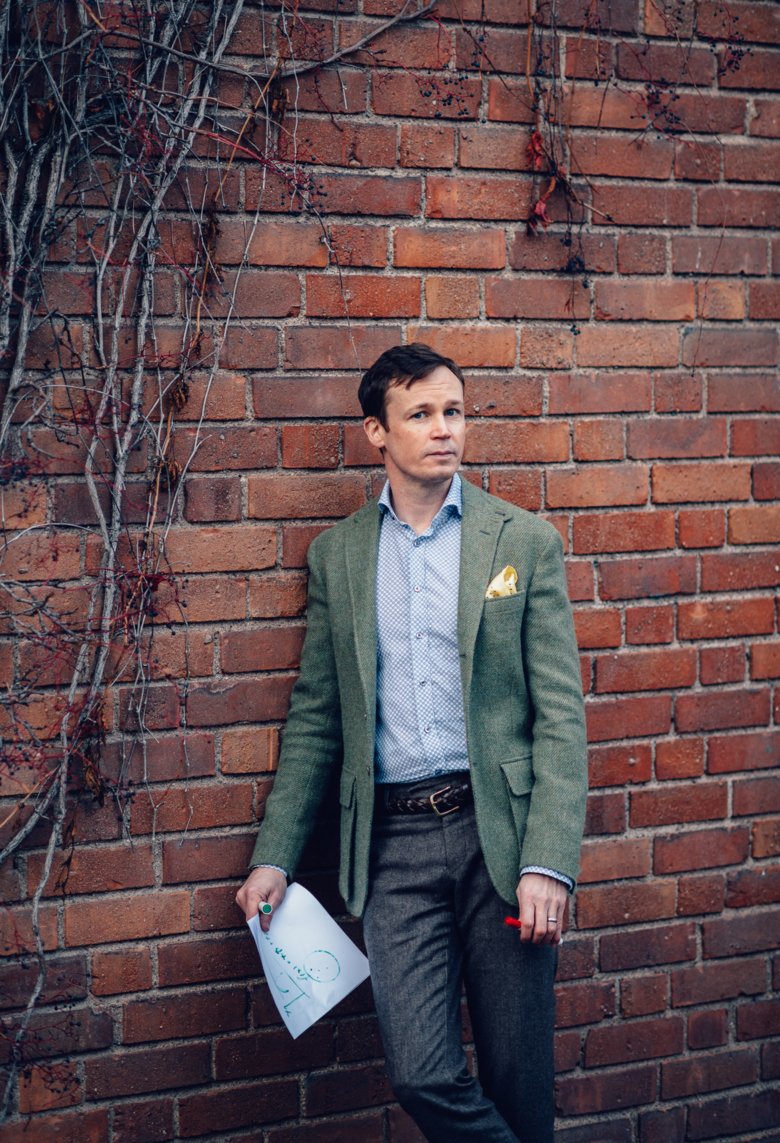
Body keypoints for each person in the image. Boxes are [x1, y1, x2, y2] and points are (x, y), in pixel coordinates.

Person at [236, 343, 588, 1143]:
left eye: (453, 411)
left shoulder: (522, 543)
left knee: (519, 1077)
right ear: (377, 434)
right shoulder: (342, 557)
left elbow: (560, 715)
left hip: (497, 840)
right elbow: (318, 715)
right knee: (423, 1070)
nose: (443, 430)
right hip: (391, 847)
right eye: (421, 414)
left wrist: (548, 860)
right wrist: (276, 853)